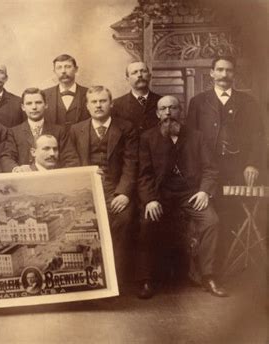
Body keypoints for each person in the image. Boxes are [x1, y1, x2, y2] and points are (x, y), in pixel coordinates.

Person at [136, 95, 227, 299]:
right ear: (158, 114)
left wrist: (204, 191)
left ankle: (208, 276)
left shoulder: (197, 136)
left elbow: (210, 169)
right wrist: (150, 199)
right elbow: (144, 174)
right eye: (164, 109)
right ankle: (146, 279)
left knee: (212, 221)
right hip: (161, 195)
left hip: (191, 194)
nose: (168, 113)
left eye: (173, 108)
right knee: (146, 222)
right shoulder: (148, 138)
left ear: (181, 111)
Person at [69, 86, 138, 285]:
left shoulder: (126, 128)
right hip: (87, 190)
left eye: (103, 101)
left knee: (123, 221)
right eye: (94, 102)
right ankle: (88, 280)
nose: (98, 105)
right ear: (87, 106)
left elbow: (131, 163)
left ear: (111, 103)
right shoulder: (76, 129)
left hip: (115, 189)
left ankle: (116, 280)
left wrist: (124, 193)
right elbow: (71, 161)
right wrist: (84, 176)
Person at [186, 56, 265, 188]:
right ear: (212, 73)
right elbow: (190, 138)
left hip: (240, 168)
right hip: (207, 170)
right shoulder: (198, 102)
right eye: (220, 70)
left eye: (229, 70)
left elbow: (258, 136)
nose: (224, 74)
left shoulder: (248, 102)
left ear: (234, 74)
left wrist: (252, 164)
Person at [1, 87, 79, 172]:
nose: (34, 107)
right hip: (25, 180)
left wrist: (57, 176)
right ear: (23, 107)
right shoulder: (14, 132)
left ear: (46, 105)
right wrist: (16, 169)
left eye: (38, 102)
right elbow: (6, 157)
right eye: (29, 103)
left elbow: (71, 160)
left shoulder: (59, 131)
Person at [110, 61, 162, 134]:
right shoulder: (116, 105)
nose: (140, 75)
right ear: (127, 79)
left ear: (150, 76)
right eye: (134, 72)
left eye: (143, 71)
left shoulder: (162, 101)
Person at [43, 54, 89, 129]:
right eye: (59, 68)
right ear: (54, 71)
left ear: (76, 69)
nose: (63, 71)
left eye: (68, 67)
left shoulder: (89, 94)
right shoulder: (44, 95)